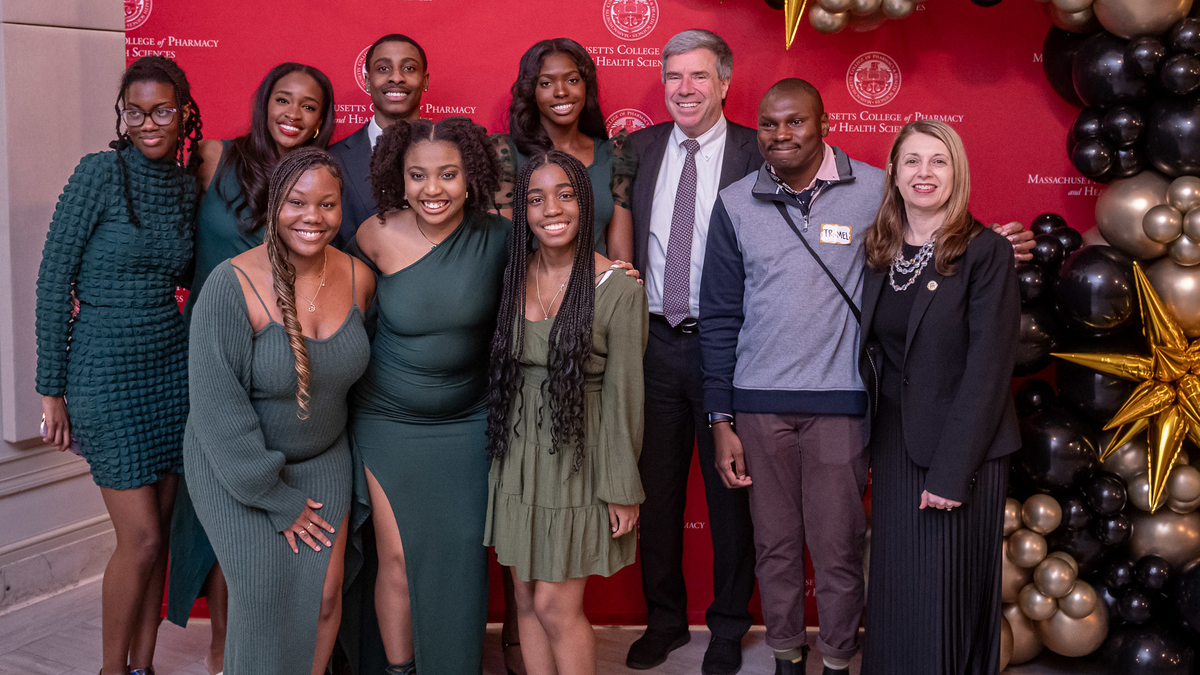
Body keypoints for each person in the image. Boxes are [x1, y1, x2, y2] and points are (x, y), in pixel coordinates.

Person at [699, 79, 1032, 675]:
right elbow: (721, 316)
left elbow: (947, 238)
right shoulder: (736, 203)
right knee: (775, 548)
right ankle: (785, 659)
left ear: (824, 122)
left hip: (847, 406)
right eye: (769, 125)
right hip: (768, 405)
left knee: (840, 551)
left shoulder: (873, 191)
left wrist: (1000, 242)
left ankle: (836, 662)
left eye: (796, 122)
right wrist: (720, 414)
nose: (781, 135)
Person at [167, 61, 336, 675]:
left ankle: (270, 654)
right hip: (206, 352)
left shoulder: (319, 185)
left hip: (280, 362)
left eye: (309, 105)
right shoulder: (213, 156)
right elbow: (168, 235)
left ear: (324, 120)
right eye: (283, 100)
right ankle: (223, 656)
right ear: (264, 103)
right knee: (217, 515)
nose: (293, 113)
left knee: (276, 540)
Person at [35, 55, 201, 675]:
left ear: (182, 111)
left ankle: (144, 665)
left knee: (160, 529)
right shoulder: (98, 175)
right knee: (142, 537)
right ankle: (111, 670)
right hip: (103, 367)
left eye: (161, 110)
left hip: (168, 365)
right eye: (136, 111)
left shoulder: (187, 185)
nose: (148, 123)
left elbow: (189, 271)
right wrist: (52, 388)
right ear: (122, 115)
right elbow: (54, 281)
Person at [183, 147, 373, 675]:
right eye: (296, 202)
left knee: (325, 596)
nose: (312, 217)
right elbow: (216, 407)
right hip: (236, 464)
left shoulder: (360, 278)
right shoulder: (231, 283)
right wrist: (275, 497)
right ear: (273, 206)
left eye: (327, 204)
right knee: (263, 599)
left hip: (322, 457)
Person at [342, 117, 507, 675]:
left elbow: (559, 268)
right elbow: (335, 317)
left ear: (471, 178)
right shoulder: (374, 234)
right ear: (399, 177)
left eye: (447, 175)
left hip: (468, 424)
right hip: (388, 423)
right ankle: (400, 670)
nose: (432, 189)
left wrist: (609, 274)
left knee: (462, 560)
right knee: (397, 558)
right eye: (418, 175)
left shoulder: (499, 235)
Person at [857, 120, 1019, 675]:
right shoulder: (879, 249)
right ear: (894, 174)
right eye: (911, 162)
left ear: (957, 173)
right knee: (899, 590)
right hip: (897, 443)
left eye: (938, 161)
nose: (924, 173)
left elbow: (988, 370)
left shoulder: (986, 253)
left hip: (960, 451)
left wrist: (952, 472)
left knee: (945, 597)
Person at [623, 29, 761, 675]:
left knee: (731, 496)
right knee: (657, 494)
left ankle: (730, 624)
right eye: (673, 76)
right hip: (650, 342)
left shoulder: (760, 153)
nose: (683, 89)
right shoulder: (639, 148)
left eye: (698, 76)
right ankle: (665, 619)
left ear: (725, 82)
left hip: (728, 346)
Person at [483, 150, 647, 675]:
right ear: (522, 210)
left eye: (566, 195)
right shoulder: (514, 275)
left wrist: (622, 488)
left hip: (579, 456)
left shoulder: (617, 288)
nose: (551, 208)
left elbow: (625, 396)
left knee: (556, 606)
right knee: (525, 600)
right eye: (535, 198)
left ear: (586, 202)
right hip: (517, 456)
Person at [491, 38, 635, 262]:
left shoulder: (612, 155)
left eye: (572, 80)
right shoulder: (507, 154)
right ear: (531, 91)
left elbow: (620, 258)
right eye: (546, 83)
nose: (561, 92)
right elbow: (499, 251)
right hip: (532, 292)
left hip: (598, 292)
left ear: (586, 86)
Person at [329, 33, 429, 245]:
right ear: (367, 81)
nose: (396, 77)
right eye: (383, 69)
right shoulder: (331, 160)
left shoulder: (456, 152)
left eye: (409, 68)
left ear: (425, 81)